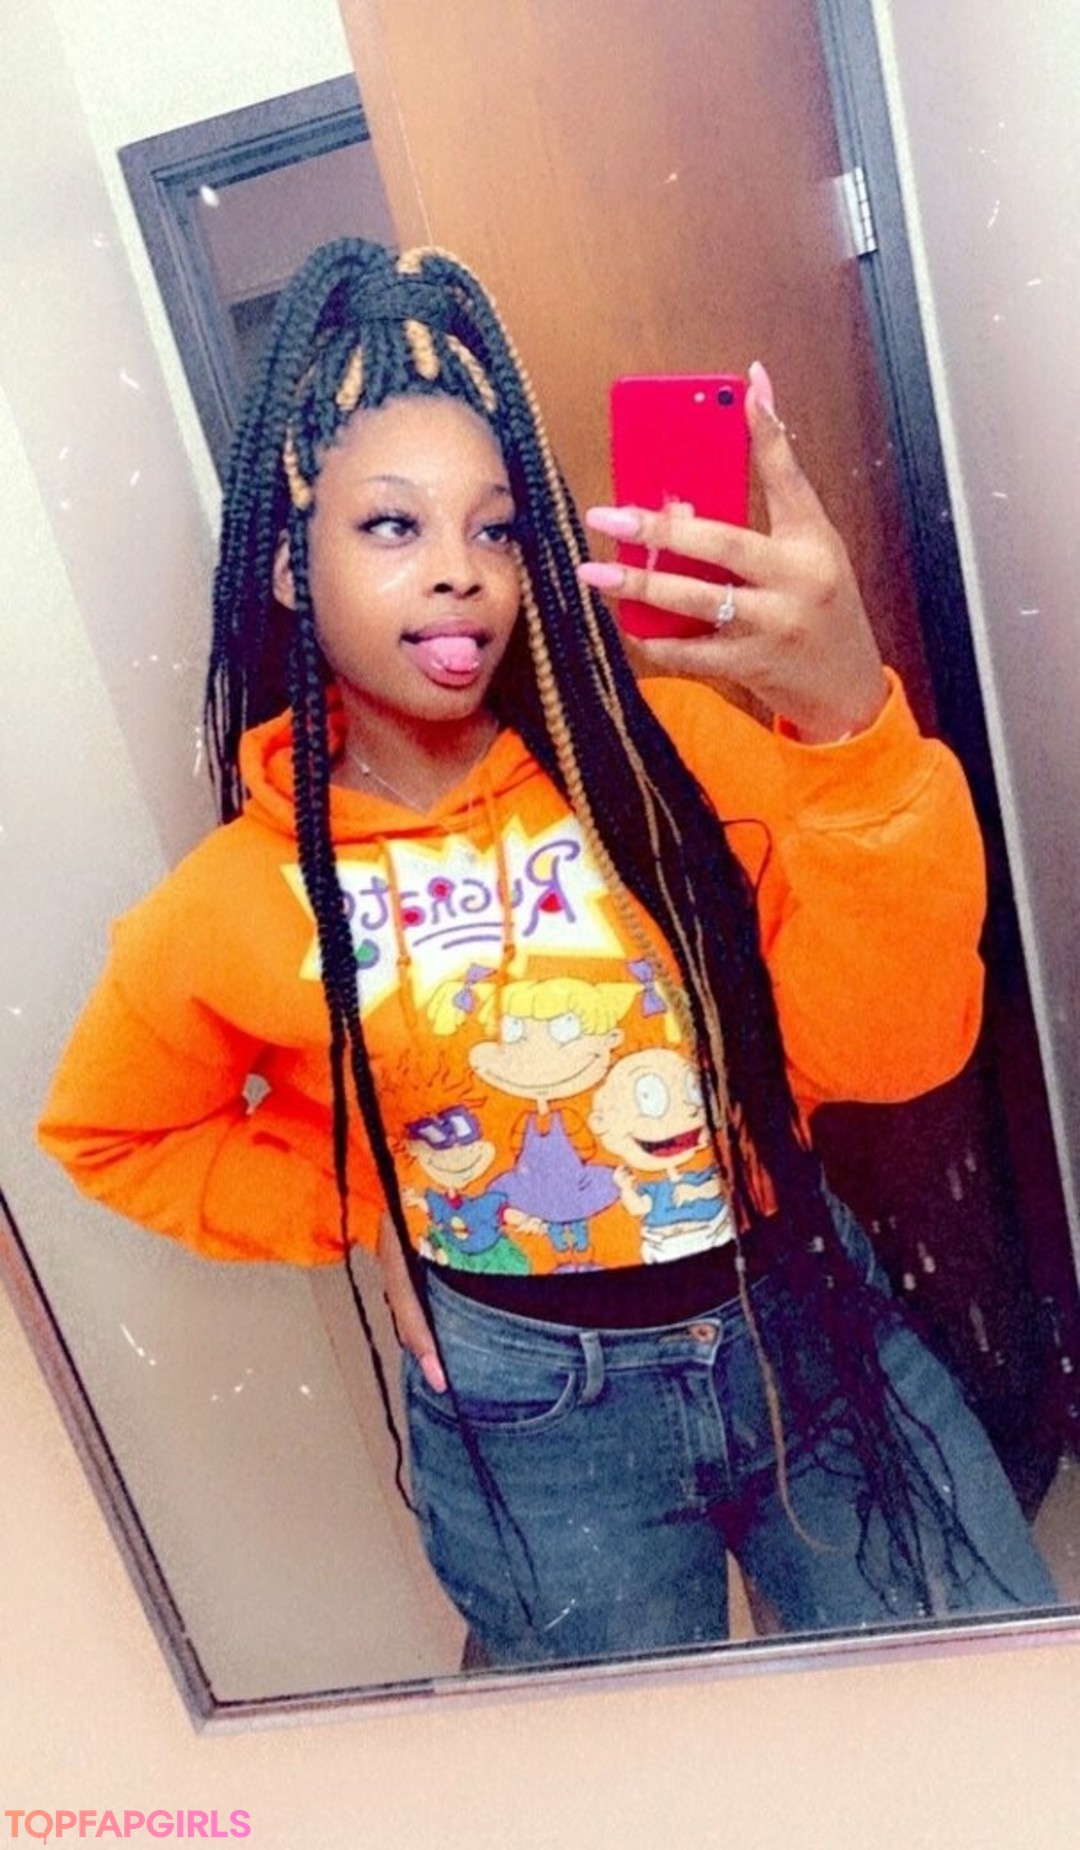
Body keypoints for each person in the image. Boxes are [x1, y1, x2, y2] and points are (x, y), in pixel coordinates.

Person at [38, 238, 1056, 1668]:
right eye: (392, 526)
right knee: (622, 1772)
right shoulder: (237, 897)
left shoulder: (666, 761)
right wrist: (380, 1194)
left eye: (500, 527)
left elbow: (895, 1051)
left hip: (808, 1328)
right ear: (289, 568)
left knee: (983, 1713)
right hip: (533, 1422)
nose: (460, 571)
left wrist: (847, 726)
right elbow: (113, 1132)